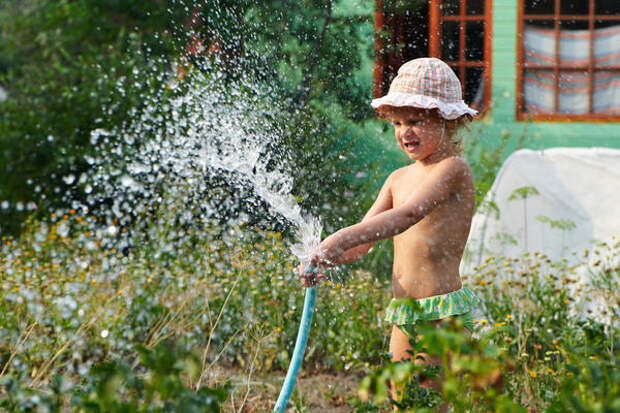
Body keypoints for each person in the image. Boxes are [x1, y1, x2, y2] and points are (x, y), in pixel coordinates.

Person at [298, 57, 481, 407]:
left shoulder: (452, 169)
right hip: (405, 312)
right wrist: (328, 259)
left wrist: (337, 238)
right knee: (401, 401)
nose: (404, 132)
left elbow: (407, 215)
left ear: (448, 119)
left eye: (414, 121)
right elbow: (365, 242)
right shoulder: (396, 178)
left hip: (440, 312)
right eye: (397, 123)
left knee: (428, 402)